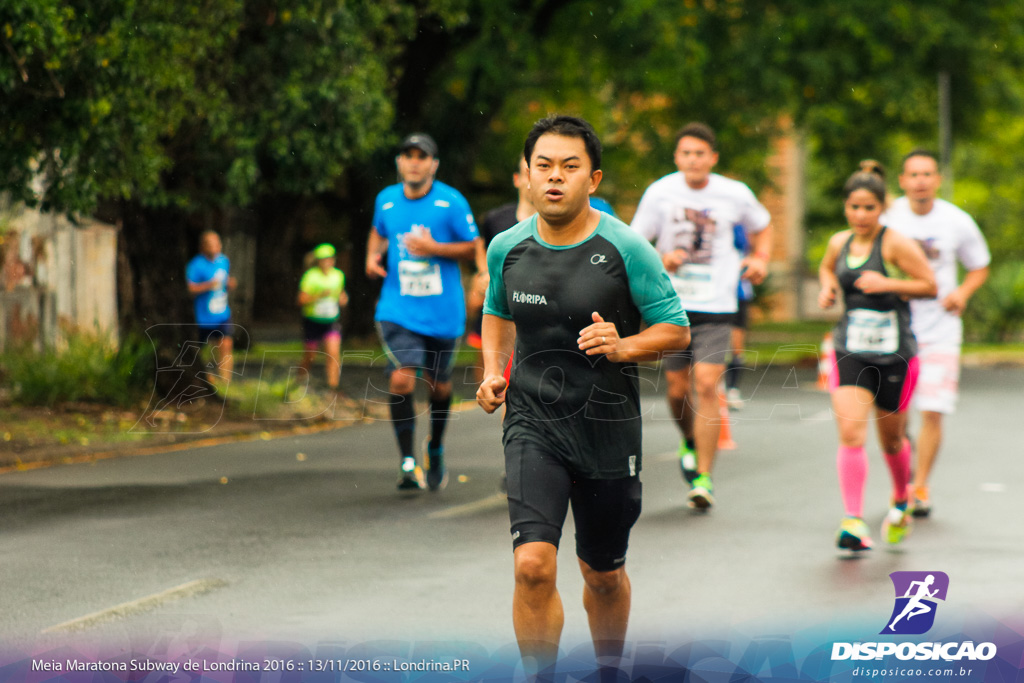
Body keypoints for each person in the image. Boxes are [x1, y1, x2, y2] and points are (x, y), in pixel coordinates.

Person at [476, 115, 690, 676]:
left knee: (601, 573)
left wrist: (622, 348)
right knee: (532, 567)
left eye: (569, 168)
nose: (554, 178)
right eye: (543, 166)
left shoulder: (626, 248)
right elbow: (496, 311)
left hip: (607, 428)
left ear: (592, 179)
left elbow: (676, 329)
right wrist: (493, 370)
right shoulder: (507, 248)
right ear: (525, 176)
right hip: (532, 422)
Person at [630, 122, 773, 509]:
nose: (693, 160)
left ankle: (704, 478)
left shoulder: (734, 193)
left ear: (713, 158)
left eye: (700, 153)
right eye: (686, 153)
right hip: (672, 305)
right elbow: (634, 243)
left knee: (707, 385)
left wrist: (760, 259)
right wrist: (662, 258)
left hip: (716, 305)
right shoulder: (659, 193)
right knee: (678, 391)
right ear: (677, 158)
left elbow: (764, 227)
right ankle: (690, 440)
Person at [818, 170, 936, 551]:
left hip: (894, 355)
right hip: (850, 348)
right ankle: (853, 520)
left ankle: (902, 495)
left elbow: (929, 285)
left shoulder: (895, 244)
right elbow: (826, 268)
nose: (861, 215)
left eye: (869, 208)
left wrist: (889, 284)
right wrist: (828, 286)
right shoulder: (840, 241)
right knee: (851, 433)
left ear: (882, 208)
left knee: (892, 440)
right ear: (846, 207)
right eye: (854, 207)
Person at [365, 133, 481, 492]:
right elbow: (378, 232)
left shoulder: (451, 202)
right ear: (399, 162)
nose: (414, 161)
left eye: (422, 156)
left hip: (443, 310)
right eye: (407, 155)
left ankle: (435, 446)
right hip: (398, 307)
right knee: (402, 378)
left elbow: (474, 247)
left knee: (439, 385)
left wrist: (434, 247)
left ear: (433, 164)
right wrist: (372, 256)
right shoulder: (386, 200)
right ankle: (407, 461)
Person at [884, 149, 990, 517]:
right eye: (913, 174)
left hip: (941, 329)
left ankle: (920, 486)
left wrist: (962, 292)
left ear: (938, 180)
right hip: (895, 327)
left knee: (933, 409)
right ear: (902, 181)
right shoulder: (888, 217)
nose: (921, 181)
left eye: (927, 174)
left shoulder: (956, 221)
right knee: (897, 414)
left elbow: (979, 265)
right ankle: (904, 475)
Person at [185, 230, 237, 383]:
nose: (215, 247)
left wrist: (229, 284)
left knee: (226, 345)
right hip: (203, 316)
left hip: (221, 313)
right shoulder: (196, 265)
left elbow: (223, 282)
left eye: (217, 243)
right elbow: (190, 288)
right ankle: (206, 379)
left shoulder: (223, 261)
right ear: (203, 246)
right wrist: (208, 285)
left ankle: (226, 382)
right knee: (200, 351)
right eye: (211, 244)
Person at [297, 243, 348, 391]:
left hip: (331, 321)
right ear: (318, 260)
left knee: (333, 354)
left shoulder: (338, 275)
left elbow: (341, 294)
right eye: (323, 259)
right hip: (312, 321)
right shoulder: (311, 276)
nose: (327, 262)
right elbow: (301, 300)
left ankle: (333, 388)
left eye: (330, 259)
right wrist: (319, 295)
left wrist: (343, 299)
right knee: (310, 356)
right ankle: (299, 381)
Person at [724, 223, 755, 410]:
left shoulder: (738, 225)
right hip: (711, 294)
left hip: (738, 292)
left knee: (736, 345)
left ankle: (732, 389)